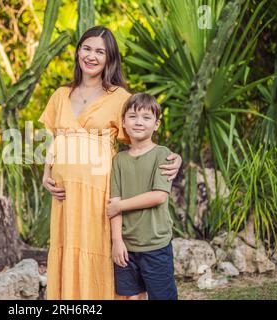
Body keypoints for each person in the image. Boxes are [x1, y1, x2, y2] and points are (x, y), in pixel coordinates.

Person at [38, 26, 182, 300]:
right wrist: (46, 173)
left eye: (100, 52)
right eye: (87, 48)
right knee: (68, 247)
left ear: (109, 58)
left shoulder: (119, 97)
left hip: (100, 193)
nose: (91, 56)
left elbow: (142, 139)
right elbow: (52, 140)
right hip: (65, 198)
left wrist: (177, 157)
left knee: (101, 252)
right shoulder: (59, 95)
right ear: (78, 51)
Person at [107, 93, 178, 300]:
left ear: (156, 124)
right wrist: (116, 241)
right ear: (123, 122)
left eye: (146, 118)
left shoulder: (162, 154)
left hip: (156, 245)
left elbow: (159, 196)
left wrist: (120, 206)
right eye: (132, 116)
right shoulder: (118, 160)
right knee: (132, 297)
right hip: (127, 247)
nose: (139, 122)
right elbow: (114, 200)